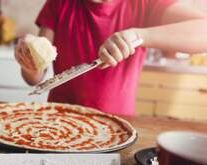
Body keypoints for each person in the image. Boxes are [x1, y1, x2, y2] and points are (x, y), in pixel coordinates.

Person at [15, 0, 207, 116]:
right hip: (58, 121)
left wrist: (139, 36)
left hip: (118, 127)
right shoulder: (59, 3)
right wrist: (30, 62)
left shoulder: (144, 3)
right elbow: (34, 78)